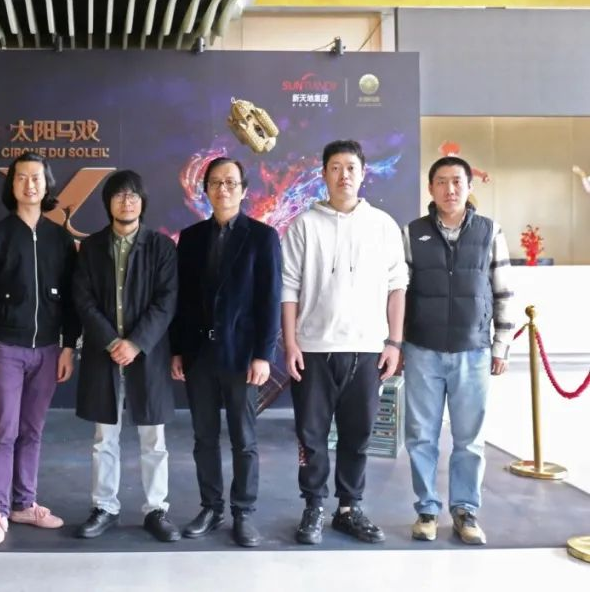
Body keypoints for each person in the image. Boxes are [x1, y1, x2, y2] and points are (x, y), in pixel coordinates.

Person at [281, 140, 408, 545]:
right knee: (311, 434)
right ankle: (314, 506)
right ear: (324, 174)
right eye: (335, 168)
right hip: (313, 349)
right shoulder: (304, 225)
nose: (344, 175)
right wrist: (290, 344)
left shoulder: (383, 226)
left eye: (351, 167)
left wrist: (394, 343)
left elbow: (397, 286)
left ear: (363, 173)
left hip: (367, 350)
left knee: (358, 434)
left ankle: (349, 508)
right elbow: (288, 289)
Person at [402, 156, 516, 545]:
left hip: (473, 350)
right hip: (422, 349)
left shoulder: (489, 231)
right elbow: (399, 293)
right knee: (421, 436)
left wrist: (501, 345)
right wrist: (396, 343)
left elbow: (503, 292)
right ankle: (426, 510)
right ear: (430, 188)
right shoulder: (412, 233)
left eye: (457, 181)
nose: (450, 189)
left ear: (469, 187)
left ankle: (465, 511)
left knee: (469, 439)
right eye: (441, 181)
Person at [0, 152, 80, 546]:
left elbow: (73, 300)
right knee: (4, 432)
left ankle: (24, 503)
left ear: (47, 184)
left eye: (36, 177)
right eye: (21, 177)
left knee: (32, 431)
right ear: (11, 184)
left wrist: (68, 347)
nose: (29, 184)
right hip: (5, 348)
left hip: (48, 350)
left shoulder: (59, 238)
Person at [171, 158, 282, 547]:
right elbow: (182, 301)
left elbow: (270, 299)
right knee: (204, 437)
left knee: (243, 438)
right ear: (206, 190)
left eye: (231, 182)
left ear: (244, 190)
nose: (223, 189)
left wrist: (263, 354)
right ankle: (211, 507)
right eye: (216, 182)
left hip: (242, 355)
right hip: (199, 354)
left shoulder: (262, 238)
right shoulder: (191, 238)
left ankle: (243, 512)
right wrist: (178, 350)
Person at [72, 170, 181, 542]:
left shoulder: (161, 247)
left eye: (133, 195)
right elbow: (83, 299)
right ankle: (104, 506)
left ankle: (156, 509)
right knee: (104, 437)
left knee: (154, 438)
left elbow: (166, 302)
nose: (127, 201)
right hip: (104, 355)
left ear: (142, 202)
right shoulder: (91, 247)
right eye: (119, 195)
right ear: (108, 203)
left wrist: (135, 343)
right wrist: (110, 341)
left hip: (146, 355)